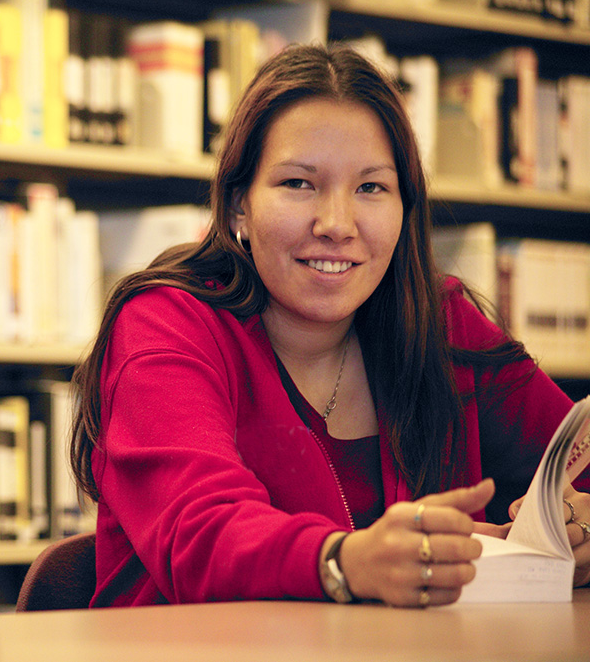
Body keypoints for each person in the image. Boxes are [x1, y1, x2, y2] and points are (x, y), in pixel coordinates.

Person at [69, 43, 590, 609]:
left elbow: (577, 458)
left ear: (404, 207)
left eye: (371, 187)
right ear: (239, 202)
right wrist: (347, 563)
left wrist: (580, 526)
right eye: (299, 184)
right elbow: (203, 534)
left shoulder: (439, 322)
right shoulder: (167, 324)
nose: (337, 224)